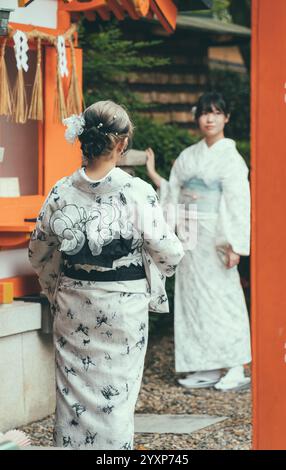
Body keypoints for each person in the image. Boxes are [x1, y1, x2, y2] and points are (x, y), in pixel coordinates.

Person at [28, 100, 184, 449]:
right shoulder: (136, 192)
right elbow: (169, 253)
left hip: (73, 304)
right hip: (123, 307)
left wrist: (58, 288)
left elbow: (38, 251)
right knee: (117, 396)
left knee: (73, 393)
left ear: (84, 140)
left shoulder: (61, 192)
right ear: (122, 143)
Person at [145, 92, 251, 391]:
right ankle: (205, 364)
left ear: (226, 118)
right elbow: (175, 192)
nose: (210, 118)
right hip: (190, 233)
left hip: (217, 235)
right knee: (192, 298)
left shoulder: (231, 159)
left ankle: (234, 364)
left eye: (217, 113)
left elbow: (237, 203)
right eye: (205, 113)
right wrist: (156, 176)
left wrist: (234, 244)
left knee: (222, 297)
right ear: (197, 118)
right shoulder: (190, 155)